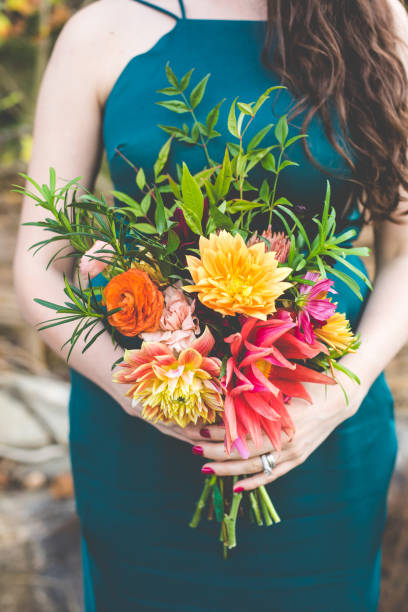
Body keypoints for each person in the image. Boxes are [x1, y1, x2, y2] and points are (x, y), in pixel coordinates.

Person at [13, 1, 408, 610]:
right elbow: (42, 266)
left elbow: (404, 251)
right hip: (140, 445)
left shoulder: (375, 20)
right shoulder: (102, 30)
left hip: (321, 442)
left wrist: (338, 398)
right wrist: (139, 393)